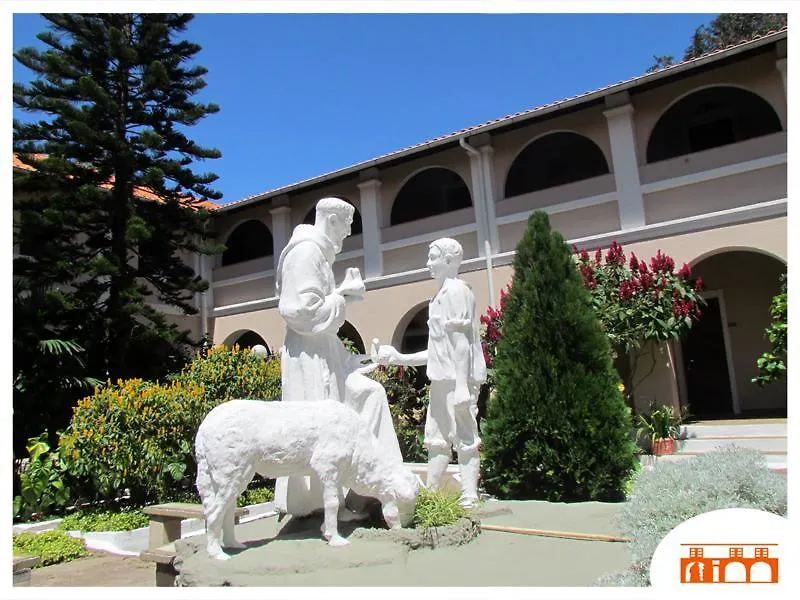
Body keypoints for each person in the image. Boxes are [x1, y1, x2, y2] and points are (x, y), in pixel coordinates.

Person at [274, 197, 404, 518]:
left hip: (325, 353)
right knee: (322, 425)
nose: (347, 234)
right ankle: (322, 502)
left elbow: (321, 312)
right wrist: (343, 293)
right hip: (309, 357)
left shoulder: (319, 253)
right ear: (332, 220)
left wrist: (349, 359)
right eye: (346, 226)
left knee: (370, 395)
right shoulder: (305, 252)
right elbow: (300, 312)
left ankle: (374, 485)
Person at [374, 238, 486, 508]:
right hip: (441, 379)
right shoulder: (438, 298)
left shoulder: (457, 292)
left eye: (433, 257)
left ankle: (469, 494)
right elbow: (437, 351)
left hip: (458, 380)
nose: (428, 263)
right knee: (437, 438)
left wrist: (462, 386)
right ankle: (432, 494)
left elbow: (461, 344)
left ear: (449, 260)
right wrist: (400, 358)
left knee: (465, 436)